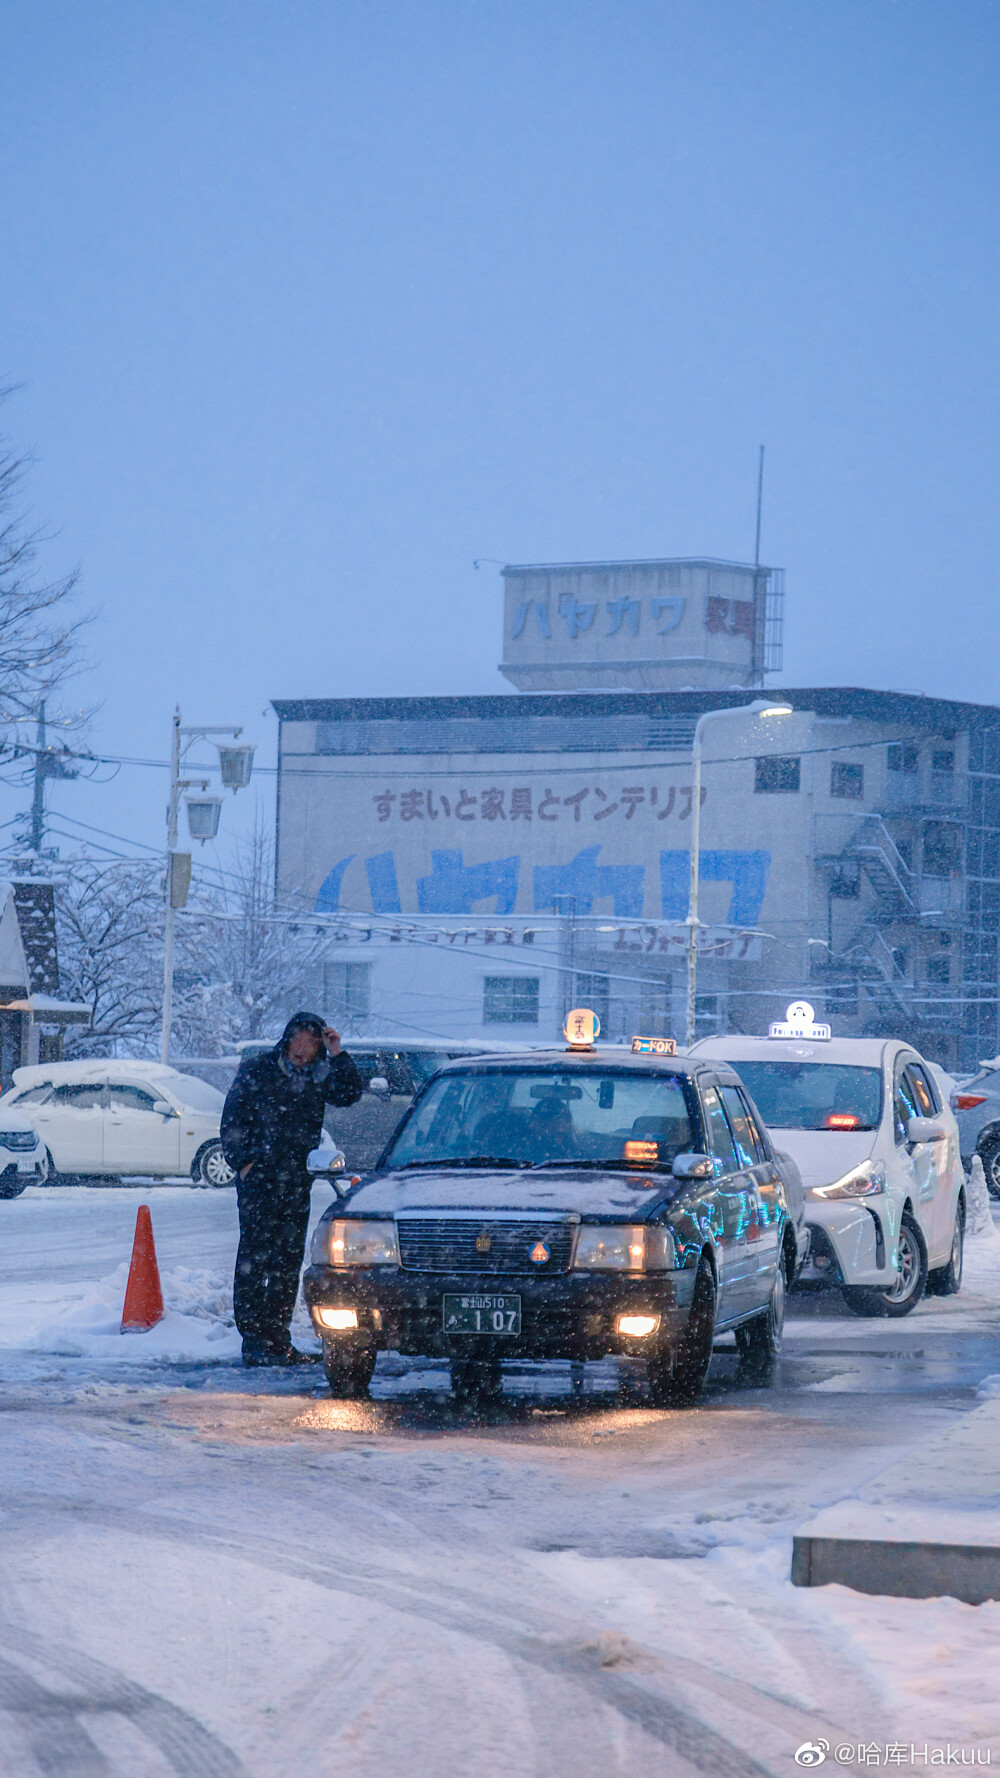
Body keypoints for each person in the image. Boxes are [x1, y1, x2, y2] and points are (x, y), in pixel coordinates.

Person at [221, 1011, 364, 1366]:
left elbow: (349, 1094)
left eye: (312, 1044)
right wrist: (244, 1163)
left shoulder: (319, 1075)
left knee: (287, 1262)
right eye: (299, 1042)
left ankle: (278, 1339)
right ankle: (254, 1340)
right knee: (255, 1258)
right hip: (259, 1181)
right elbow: (232, 1120)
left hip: (295, 1181)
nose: (303, 1051)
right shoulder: (258, 1070)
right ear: (287, 1040)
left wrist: (338, 1054)